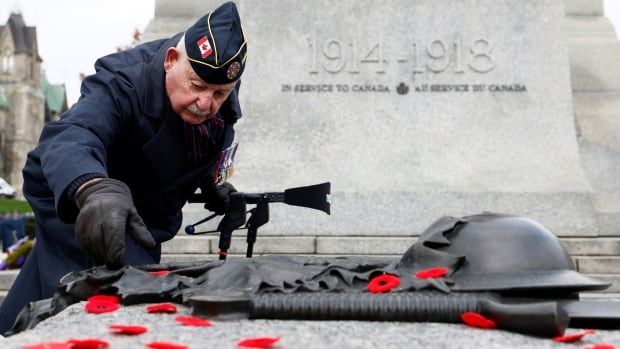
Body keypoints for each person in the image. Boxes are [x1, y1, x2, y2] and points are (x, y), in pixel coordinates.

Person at [0, 1, 247, 334]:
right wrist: (92, 186)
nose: (206, 103)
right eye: (197, 87)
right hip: (79, 195)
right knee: (123, 302)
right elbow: (74, 135)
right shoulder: (123, 80)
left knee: (46, 292)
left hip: (144, 211)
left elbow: (200, 140)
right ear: (171, 60)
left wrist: (212, 182)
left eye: (220, 93)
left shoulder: (213, 78)